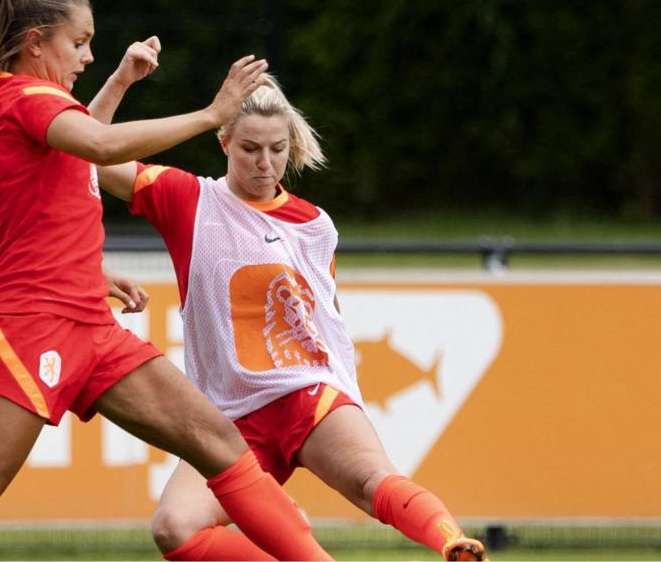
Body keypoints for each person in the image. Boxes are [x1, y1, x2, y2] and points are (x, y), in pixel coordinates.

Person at [0, 0, 333, 560]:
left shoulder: (35, 100)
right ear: (36, 43)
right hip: (33, 321)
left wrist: (117, 88)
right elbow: (99, 145)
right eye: (80, 42)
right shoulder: (21, 96)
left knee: (220, 443)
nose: (87, 56)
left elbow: (71, 168)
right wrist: (213, 115)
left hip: (89, 320)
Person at [94, 70, 490, 561]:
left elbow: (328, 317)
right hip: (229, 418)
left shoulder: (315, 223)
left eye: (277, 149)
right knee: (175, 527)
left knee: (373, 481)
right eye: (250, 149)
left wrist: (343, 388)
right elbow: (87, 154)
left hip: (306, 393)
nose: (266, 163)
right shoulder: (190, 200)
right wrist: (121, 80)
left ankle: (455, 543)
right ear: (223, 142)